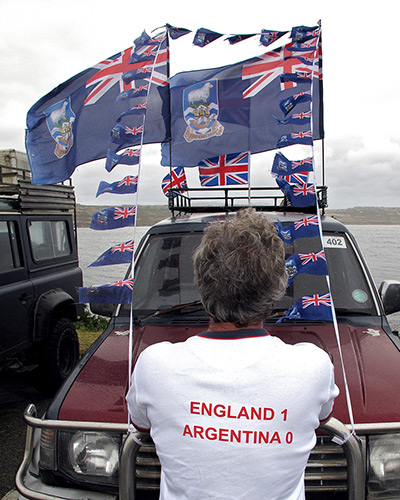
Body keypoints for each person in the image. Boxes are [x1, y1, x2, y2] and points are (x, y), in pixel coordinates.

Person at [126, 208, 339, 500]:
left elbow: (141, 424)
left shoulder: (154, 364)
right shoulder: (314, 365)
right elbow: (323, 416)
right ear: (276, 288)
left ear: (202, 285)